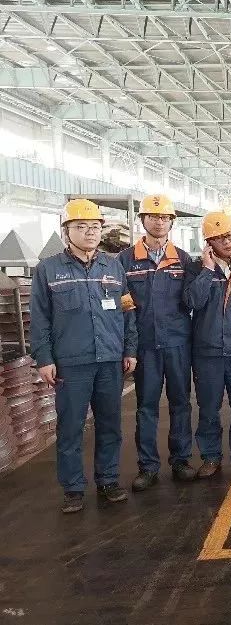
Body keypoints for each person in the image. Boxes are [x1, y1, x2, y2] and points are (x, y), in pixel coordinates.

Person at [31, 199, 138, 513]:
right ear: (66, 231)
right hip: (71, 363)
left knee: (110, 425)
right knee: (70, 428)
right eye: (81, 226)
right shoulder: (48, 269)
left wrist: (130, 349)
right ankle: (74, 488)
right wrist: (44, 359)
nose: (90, 232)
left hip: (109, 361)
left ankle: (108, 480)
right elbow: (39, 319)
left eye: (95, 227)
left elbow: (128, 312)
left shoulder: (113, 267)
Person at [118, 194, 196, 490]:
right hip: (146, 346)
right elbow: (124, 307)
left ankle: (181, 461)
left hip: (177, 344)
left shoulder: (183, 259)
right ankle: (148, 467)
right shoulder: (126, 260)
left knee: (181, 404)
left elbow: (191, 300)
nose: (159, 222)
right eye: (153, 217)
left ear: (171, 222)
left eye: (165, 217)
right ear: (143, 220)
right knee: (146, 407)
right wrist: (129, 346)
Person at [183, 212, 231, 478]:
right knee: (209, 408)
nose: (227, 241)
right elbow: (192, 302)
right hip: (208, 352)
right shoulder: (196, 269)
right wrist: (206, 270)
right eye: (220, 237)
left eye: (230, 235)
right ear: (208, 243)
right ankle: (211, 457)